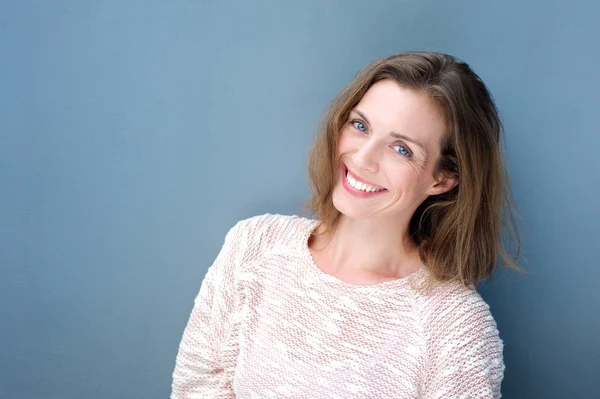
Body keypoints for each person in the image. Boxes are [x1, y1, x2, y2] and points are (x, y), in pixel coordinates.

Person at [170, 51, 522, 398]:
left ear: (442, 179)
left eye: (401, 149)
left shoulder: (455, 326)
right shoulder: (254, 246)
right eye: (360, 125)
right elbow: (196, 387)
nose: (362, 157)